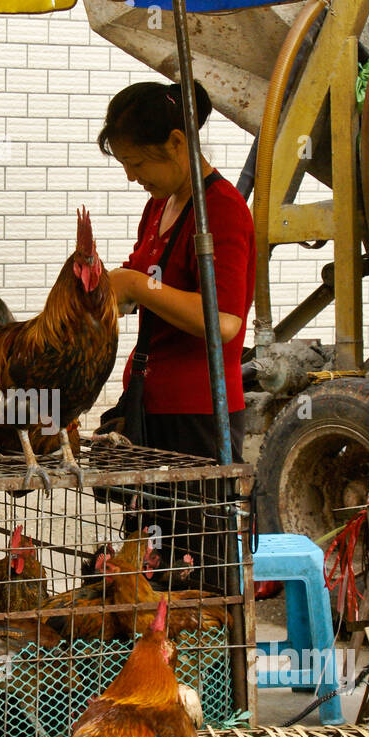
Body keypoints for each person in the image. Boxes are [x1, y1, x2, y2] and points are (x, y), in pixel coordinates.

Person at [99, 80, 256, 462]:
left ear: (175, 142)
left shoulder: (220, 209)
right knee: (146, 523)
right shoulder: (159, 205)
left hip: (200, 413)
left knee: (193, 523)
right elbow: (147, 292)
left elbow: (225, 321)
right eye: (124, 165)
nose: (131, 177)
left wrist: (137, 284)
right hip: (147, 404)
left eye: (136, 163)